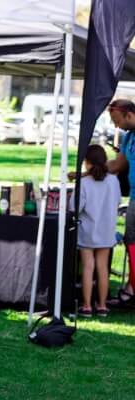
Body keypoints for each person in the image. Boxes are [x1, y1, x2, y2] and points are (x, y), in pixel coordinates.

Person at [77, 144, 121, 317]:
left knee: (88, 267)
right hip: (107, 229)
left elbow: (76, 207)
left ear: (86, 163)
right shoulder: (113, 180)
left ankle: (86, 305)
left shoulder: (85, 183)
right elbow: (117, 201)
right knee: (103, 268)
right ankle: (102, 305)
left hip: (88, 230)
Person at [106, 98, 135, 305]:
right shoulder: (127, 138)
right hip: (134, 195)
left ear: (129, 115)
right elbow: (117, 165)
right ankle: (132, 285)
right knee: (131, 239)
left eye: (117, 120)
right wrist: (94, 167)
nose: (115, 125)